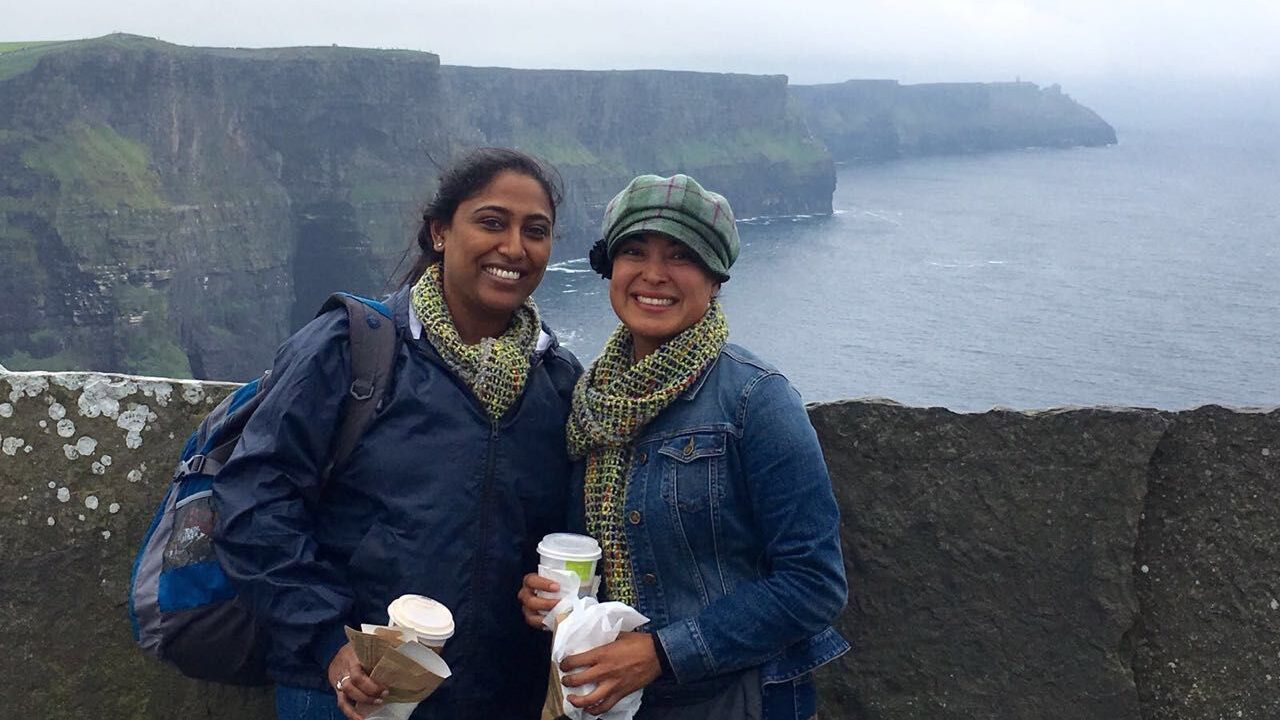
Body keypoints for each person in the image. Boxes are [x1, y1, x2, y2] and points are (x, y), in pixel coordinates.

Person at [212, 148, 582, 720]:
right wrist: (329, 645)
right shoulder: (350, 348)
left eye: (536, 231)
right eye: (491, 222)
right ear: (439, 232)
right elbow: (253, 503)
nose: (514, 247)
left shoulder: (557, 383)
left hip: (496, 696)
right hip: (346, 690)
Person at [519, 174, 849, 719]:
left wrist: (658, 654)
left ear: (715, 278)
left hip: (736, 700)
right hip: (616, 703)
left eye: (682, 255)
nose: (653, 274)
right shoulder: (591, 400)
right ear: (610, 267)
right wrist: (559, 604)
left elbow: (814, 583)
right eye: (634, 252)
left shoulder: (754, 399)